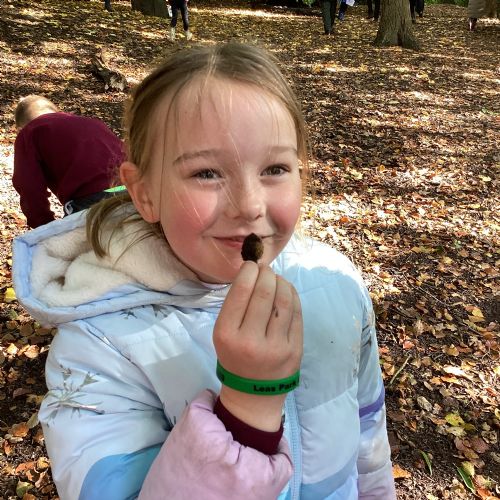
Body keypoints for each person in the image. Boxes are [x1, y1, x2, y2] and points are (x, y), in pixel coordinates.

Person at [13, 42, 396, 499]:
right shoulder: (100, 348)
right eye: (207, 173)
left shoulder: (335, 281)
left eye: (275, 167)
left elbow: (368, 433)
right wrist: (248, 404)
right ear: (145, 193)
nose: (249, 206)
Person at [13, 95, 125, 228]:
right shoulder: (92, 122)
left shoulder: (29, 132)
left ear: (20, 128)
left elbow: (29, 186)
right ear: (57, 112)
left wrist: (44, 225)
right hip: (131, 190)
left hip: (91, 200)